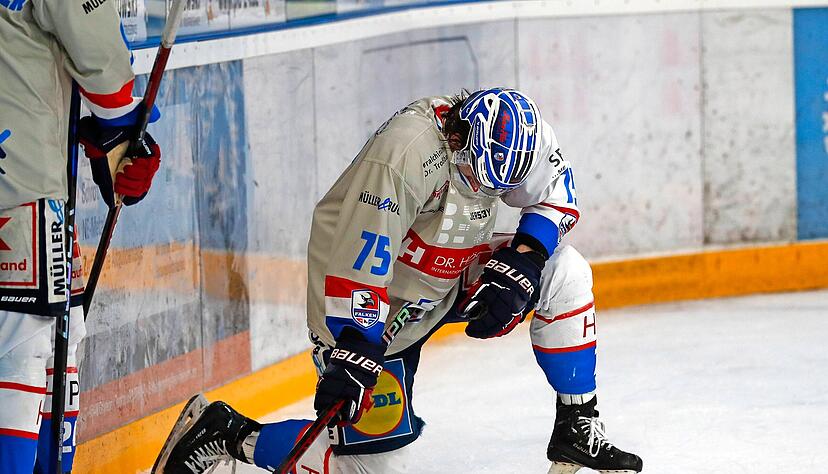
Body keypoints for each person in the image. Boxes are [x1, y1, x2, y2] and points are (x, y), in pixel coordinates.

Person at [155, 88, 641, 473]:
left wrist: (525, 262)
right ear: (458, 135)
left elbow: (555, 195)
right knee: (372, 467)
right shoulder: (405, 154)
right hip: (372, 305)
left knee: (566, 271)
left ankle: (577, 422)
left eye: (495, 189)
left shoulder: (523, 139)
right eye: (474, 175)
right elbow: (359, 257)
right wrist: (355, 345)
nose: (480, 189)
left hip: (448, 275)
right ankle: (226, 433)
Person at [0, 1, 162, 472]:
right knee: (31, 355)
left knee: (39, 348)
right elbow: (101, 64)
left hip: (21, 176)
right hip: (22, 189)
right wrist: (122, 130)